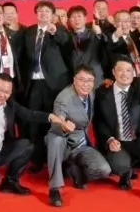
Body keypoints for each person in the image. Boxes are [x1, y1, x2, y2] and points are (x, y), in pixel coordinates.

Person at [0, 73, 69, 200]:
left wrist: (50, 117)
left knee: (26, 146)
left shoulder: (9, 104)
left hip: (1, 150)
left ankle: (10, 181)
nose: (2, 95)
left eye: (7, 92)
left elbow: (29, 114)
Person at [94, 56, 140, 205]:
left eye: (129, 70)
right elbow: (99, 122)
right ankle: (126, 172)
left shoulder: (139, 85)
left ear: (133, 73)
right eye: (120, 70)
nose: (125, 74)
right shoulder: (102, 93)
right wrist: (109, 139)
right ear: (113, 72)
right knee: (118, 165)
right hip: (119, 141)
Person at [45, 66, 112, 206]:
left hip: (82, 143)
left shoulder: (91, 91)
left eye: (89, 80)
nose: (86, 84)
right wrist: (63, 125)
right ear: (74, 80)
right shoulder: (63, 99)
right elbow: (57, 119)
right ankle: (54, 189)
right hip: (64, 141)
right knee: (56, 140)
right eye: (82, 80)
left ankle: (74, 169)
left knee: (104, 170)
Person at [18, 1, 71, 172]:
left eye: (47, 11)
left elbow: (65, 42)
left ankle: (56, 158)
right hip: (34, 83)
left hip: (54, 85)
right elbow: (22, 56)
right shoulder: (29, 31)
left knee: (54, 121)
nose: (43, 14)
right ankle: (37, 159)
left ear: (53, 14)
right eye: (40, 11)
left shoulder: (59, 29)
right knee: (35, 122)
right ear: (36, 13)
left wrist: (54, 31)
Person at [67, 6, 106, 88]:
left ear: (85, 19)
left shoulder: (94, 33)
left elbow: (105, 42)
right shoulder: (66, 36)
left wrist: (99, 33)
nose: (76, 19)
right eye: (73, 17)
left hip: (94, 77)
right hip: (75, 79)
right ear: (69, 20)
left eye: (79, 16)